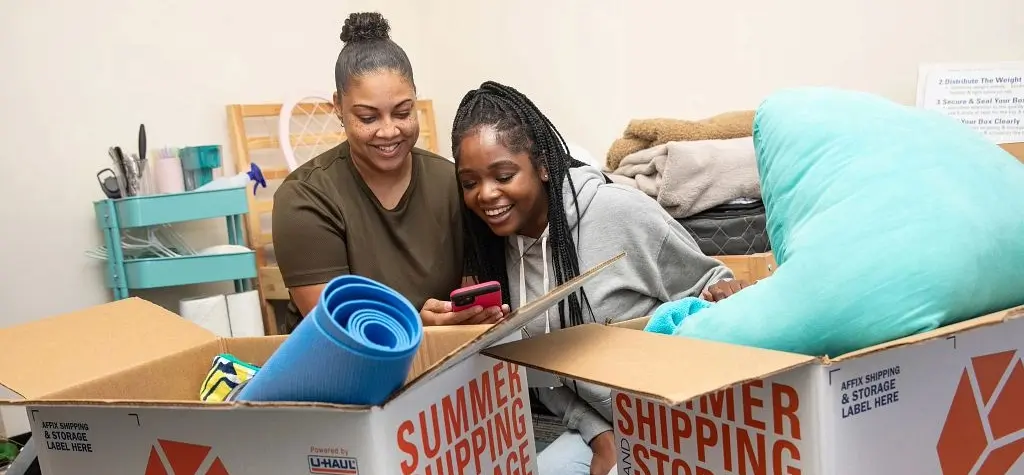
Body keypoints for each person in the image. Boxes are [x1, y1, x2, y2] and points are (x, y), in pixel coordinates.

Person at [451, 81, 747, 475]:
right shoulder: (498, 247)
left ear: (541, 164)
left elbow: (709, 282)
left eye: (503, 175)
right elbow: (540, 369)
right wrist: (599, 435)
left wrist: (725, 293)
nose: (486, 195)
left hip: (676, 418)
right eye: (470, 183)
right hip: (599, 427)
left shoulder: (617, 212)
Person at [272, 12, 507, 327]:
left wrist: (468, 318)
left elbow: (468, 298)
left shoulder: (450, 184)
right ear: (338, 108)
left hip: (444, 365)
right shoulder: (305, 198)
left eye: (402, 112)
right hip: (341, 369)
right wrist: (418, 328)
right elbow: (336, 328)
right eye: (368, 117)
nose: (389, 131)